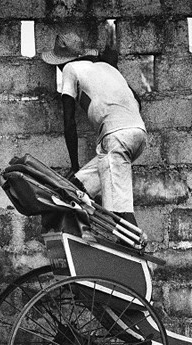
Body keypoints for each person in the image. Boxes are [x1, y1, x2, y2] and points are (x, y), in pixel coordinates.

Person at [42, 31, 146, 228]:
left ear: (62, 62)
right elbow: (137, 101)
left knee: (118, 212)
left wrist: (74, 164)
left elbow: (69, 122)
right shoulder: (108, 68)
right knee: (78, 186)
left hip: (115, 137)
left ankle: (136, 247)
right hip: (137, 134)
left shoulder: (70, 69)